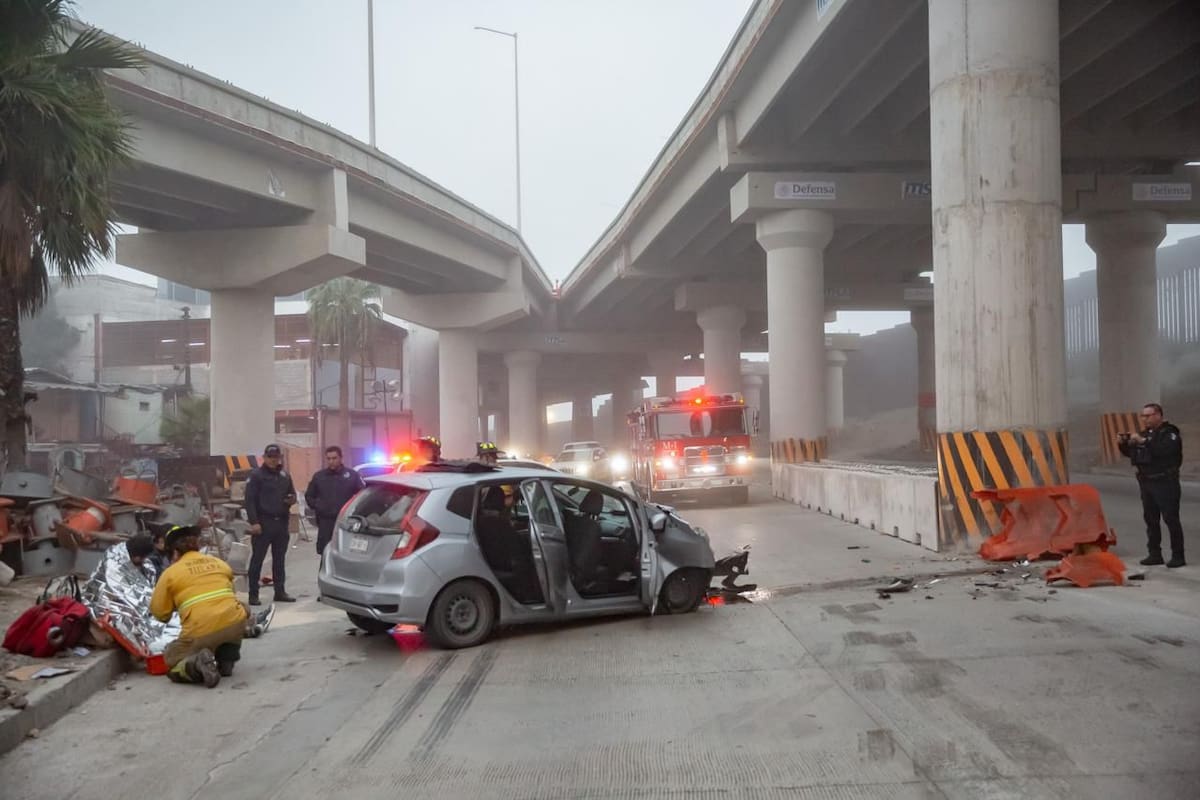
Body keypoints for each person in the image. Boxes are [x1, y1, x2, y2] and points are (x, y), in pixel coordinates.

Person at [150, 525, 249, 687]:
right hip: (235, 623)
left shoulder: (170, 573)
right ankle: (227, 658)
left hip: (200, 630)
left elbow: (160, 613)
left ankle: (196, 664)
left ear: (174, 552)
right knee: (236, 615)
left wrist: (176, 604)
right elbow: (230, 596)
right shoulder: (219, 563)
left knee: (171, 661)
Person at [1118, 402, 1186, 568]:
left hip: (1165, 481)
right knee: (1151, 519)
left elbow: (1164, 451)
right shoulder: (1145, 434)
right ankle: (1154, 553)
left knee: (1171, 518)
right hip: (1147, 482)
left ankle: (1178, 555)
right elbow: (1136, 455)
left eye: (1148, 415)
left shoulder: (1169, 433)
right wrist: (1123, 444)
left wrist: (1144, 441)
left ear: (1158, 415)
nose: (1145, 419)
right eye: (1143, 416)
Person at [244, 443, 298, 605]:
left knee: (279, 559)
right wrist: (254, 522)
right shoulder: (256, 476)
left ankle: (280, 591)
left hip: (281, 522)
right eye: (270, 457)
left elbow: (292, 494)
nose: (273, 460)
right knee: (257, 560)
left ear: (279, 457)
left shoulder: (284, 475)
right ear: (264, 457)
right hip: (263, 522)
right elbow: (250, 500)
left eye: (276, 457)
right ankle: (253, 594)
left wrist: (291, 499)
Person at [304, 445, 365, 556]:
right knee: (325, 553)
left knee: (345, 553)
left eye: (334, 458)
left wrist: (354, 511)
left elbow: (362, 496)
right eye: (329, 458)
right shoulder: (319, 477)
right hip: (325, 522)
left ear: (341, 458)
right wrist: (319, 506)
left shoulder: (352, 476)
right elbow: (309, 496)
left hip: (345, 522)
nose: (331, 461)